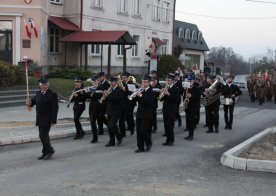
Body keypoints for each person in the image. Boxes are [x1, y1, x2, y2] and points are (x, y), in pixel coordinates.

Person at [26, 77, 58, 160]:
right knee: (43, 135)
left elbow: (55, 108)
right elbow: (34, 101)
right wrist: (30, 102)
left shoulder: (52, 94)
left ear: (48, 85)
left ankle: (50, 150)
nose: (45, 86)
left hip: (47, 118)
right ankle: (45, 152)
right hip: (40, 118)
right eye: (43, 85)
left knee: (43, 135)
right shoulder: (38, 93)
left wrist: (53, 120)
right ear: (40, 86)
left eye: (46, 84)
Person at [132, 75, 155, 153]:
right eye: (142, 82)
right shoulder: (140, 90)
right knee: (138, 131)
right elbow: (134, 101)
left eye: (145, 82)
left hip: (147, 114)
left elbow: (148, 102)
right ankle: (140, 147)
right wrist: (134, 95)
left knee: (143, 130)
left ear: (149, 83)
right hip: (139, 113)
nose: (143, 84)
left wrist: (140, 95)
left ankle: (149, 143)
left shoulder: (151, 91)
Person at [160, 73, 180, 146]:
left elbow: (175, 100)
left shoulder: (176, 88)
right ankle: (167, 140)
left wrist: (168, 94)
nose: (167, 82)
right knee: (166, 125)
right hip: (165, 109)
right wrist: (162, 93)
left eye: (169, 80)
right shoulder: (167, 87)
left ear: (172, 81)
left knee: (170, 125)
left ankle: (171, 140)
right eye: (167, 80)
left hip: (171, 109)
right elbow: (162, 99)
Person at [104, 76, 124, 147]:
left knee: (112, 125)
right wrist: (105, 95)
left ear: (116, 83)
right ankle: (111, 141)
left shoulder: (120, 90)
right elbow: (108, 100)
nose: (111, 84)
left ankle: (119, 137)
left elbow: (116, 98)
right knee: (109, 126)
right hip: (109, 109)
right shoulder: (110, 89)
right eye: (111, 82)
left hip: (116, 110)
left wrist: (107, 96)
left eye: (113, 82)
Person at [184, 76, 201, 141]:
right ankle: (189, 134)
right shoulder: (186, 88)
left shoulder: (196, 88)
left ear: (193, 81)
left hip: (193, 107)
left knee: (191, 121)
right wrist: (184, 102)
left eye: (191, 81)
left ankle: (191, 135)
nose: (189, 82)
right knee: (188, 121)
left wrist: (191, 95)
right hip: (187, 106)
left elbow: (198, 96)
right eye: (188, 81)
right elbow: (184, 96)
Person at [87, 75, 102, 143]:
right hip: (91, 106)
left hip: (97, 106)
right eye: (92, 82)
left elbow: (98, 95)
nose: (94, 83)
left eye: (95, 81)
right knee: (92, 122)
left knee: (93, 121)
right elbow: (87, 96)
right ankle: (95, 137)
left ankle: (95, 138)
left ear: (98, 81)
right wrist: (88, 92)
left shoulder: (100, 87)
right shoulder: (91, 88)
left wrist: (92, 94)